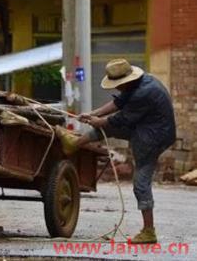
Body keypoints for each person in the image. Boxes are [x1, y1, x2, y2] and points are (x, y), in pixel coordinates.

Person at [59, 58, 176, 244]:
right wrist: (94, 114)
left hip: (153, 136)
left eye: (118, 85)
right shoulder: (140, 83)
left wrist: (100, 121)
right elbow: (118, 104)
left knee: (140, 182)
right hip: (146, 127)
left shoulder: (144, 92)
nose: (117, 88)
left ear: (127, 80)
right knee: (106, 126)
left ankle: (149, 231)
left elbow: (121, 118)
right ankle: (75, 143)